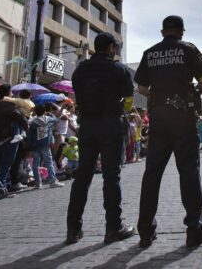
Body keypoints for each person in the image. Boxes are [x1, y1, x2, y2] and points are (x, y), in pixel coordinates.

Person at [134, 15, 202, 248]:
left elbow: (141, 87)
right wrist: (193, 91)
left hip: (159, 117)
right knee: (188, 171)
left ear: (162, 32)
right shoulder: (188, 49)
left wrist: (158, 96)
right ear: (181, 31)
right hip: (183, 117)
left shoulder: (150, 53)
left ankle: (146, 231)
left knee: (152, 174)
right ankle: (194, 229)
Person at [67, 32, 135, 245]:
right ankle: (113, 227)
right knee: (111, 176)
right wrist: (121, 112)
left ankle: (73, 229)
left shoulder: (81, 70)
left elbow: (77, 93)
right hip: (110, 124)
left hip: (87, 125)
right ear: (110, 48)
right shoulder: (118, 69)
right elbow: (128, 97)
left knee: (82, 176)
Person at [0, 84, 28, 192]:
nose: (13, 95)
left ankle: (3, 183)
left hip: (0, 136)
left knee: (4, 162)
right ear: (8, 93)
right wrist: (25, 125)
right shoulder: (7, 105)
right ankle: (1, 186)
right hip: (10, 136)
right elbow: (21, 118)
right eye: (11, 92)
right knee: (7, 162)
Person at [26, 105, 63, 190]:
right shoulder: (48, 119)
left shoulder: (32, 122)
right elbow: (56, 120)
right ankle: (53, 181)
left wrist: (28, 146)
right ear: (45, 111)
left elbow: (29, 134)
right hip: (45, 144)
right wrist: (50, 113)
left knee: (35, 164)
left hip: (35, 145)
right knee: (49, 162)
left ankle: (38, 183)